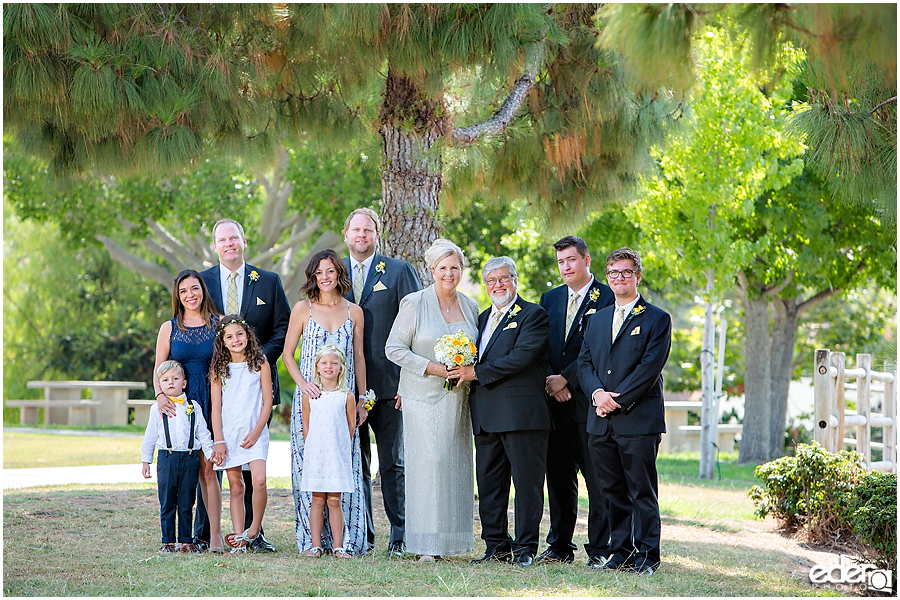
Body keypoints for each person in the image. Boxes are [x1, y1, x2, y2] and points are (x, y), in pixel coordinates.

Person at [198, 218, 291, 553]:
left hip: (255, 388)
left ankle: (255, 532)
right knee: (217, 468)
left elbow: (283, 326)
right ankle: (211, 533)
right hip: (219, 385)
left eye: (234, 238)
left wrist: (254, 360)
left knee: (255, 474)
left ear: (243, 240)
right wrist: (228, 364)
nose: (229, 244)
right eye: (222, 240)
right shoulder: (203, 283)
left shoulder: (267, 281)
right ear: (215, 245)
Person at [450, 257, 551, 567]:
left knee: (526, 486)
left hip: (522, 416)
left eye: (503, 278)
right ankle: (496, 546)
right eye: (491, 280)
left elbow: (519, 358)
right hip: (485, 415)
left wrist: (475, 372)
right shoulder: (479, 319)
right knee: (490, 486)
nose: (498, 285)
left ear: (515, 280)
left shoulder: (533, 315)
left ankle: (524, 550)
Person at [577, 248, 672, 576]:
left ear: (637, 276)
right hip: (600, 421)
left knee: (641, 490)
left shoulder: (657, 319)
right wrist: (596, 394)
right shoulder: (597, 318)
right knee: (610, 491)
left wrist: (616, 399)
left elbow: (649, 369)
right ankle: (621, 551)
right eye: (614, 273)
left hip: (638, 420)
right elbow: (584, 362)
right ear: (607, 276)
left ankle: (648, 555)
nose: (619, 278)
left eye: (626, 272)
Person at [385, 239, 479, 562]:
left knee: (454, 464)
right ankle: (426, 544)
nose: (449, 273)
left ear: (461, 270)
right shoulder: (414, 303)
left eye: (454, 267)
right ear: (432, 270)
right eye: (443, 268)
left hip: (458, 399)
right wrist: (434, 368)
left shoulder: (470, 306)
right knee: (428, 465)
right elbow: (394, 348)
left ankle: (452, 540)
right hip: (421, 397)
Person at [342, 208, 421, 556]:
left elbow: (416, 329)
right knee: (354, 463)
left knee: (393, 464)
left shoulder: (400, 271)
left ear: (377, 234)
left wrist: (408, 382)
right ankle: (362, 534)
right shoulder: (333, 272)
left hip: (390, 388)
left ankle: (400, 536)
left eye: (368, 229)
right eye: (356, 229)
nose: (362, 235)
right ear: (346, 234)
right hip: (345, 389)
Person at [283, 249, 369, 555]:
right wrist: (304, 384)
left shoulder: (353, 312)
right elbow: (287, 355)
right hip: (310, 402)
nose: (324, 277)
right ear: (312, 276)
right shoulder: (302, 309)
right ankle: (312, 541)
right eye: (319, 273)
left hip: (342, 404)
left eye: (330, 271)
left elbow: (358, 357)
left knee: (344, 466)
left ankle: (346, 542)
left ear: (339, 273)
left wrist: (362, 399)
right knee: (310, 468)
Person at [536, 236, 614, 567]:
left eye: (571, 260)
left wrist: (566, 378)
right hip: (554, 404)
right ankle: (559, 546)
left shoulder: (609, 296)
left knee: (597, 479)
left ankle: (599, 548)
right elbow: (540, 344)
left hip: (591, 402)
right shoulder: (549, 298)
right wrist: (552, 381)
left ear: (586, 259)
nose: (566, 267)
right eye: (561, 262)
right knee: (558, 476)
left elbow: (601, 349)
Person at [154, 269, 224, 552]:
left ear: (203, 291)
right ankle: (182, 536)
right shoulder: (168, 328)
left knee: (208, 472)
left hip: (210, 399)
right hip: (179, 404)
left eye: (194, 289)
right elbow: (159, 368)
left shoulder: (217, 324)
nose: (190, 295)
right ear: (177, 296)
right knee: (186, 472)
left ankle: (215, 534)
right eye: (183, 291)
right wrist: (160, 395)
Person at [209, 315, 273, 555]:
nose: (236, 340)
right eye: (229, 336)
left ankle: (254, 529)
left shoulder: (260, 363)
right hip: (229, 433)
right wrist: (219, 440)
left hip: (255, 432)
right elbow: (216, 407)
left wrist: (257, 432)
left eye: (239, 334)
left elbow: (268, 402)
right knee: (236, 487)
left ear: (248, 336)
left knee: (259, 480)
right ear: (222, 342)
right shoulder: (219, 369)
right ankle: (238, 540)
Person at [142, 360, 216, 553]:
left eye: (175, 378)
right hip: (167, 458)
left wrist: (210, 454)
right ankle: (167, 541)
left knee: (186, 500)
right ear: (160, 385)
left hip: (190, 458)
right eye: (165, 380)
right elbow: (150, 435)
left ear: (184, 383)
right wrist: (146, 460)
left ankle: (185, 540)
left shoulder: (194, 406)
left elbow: (204, 433)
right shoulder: (155, 409)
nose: (170, 383)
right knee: (167, 500)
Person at [300, 345, 357, 559]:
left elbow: (350, 427)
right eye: (324, 363)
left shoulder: (346, 396)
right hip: (317, 455)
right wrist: (314, 450)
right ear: (317, 367)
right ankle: (316, 545)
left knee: (334, 500)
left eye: (334, 363)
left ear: (341, 367)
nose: (329, 367)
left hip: (336, 456)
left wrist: (339, 448)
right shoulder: (310, 396)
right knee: (317, 499)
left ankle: (338, 546)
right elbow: (306, 426)